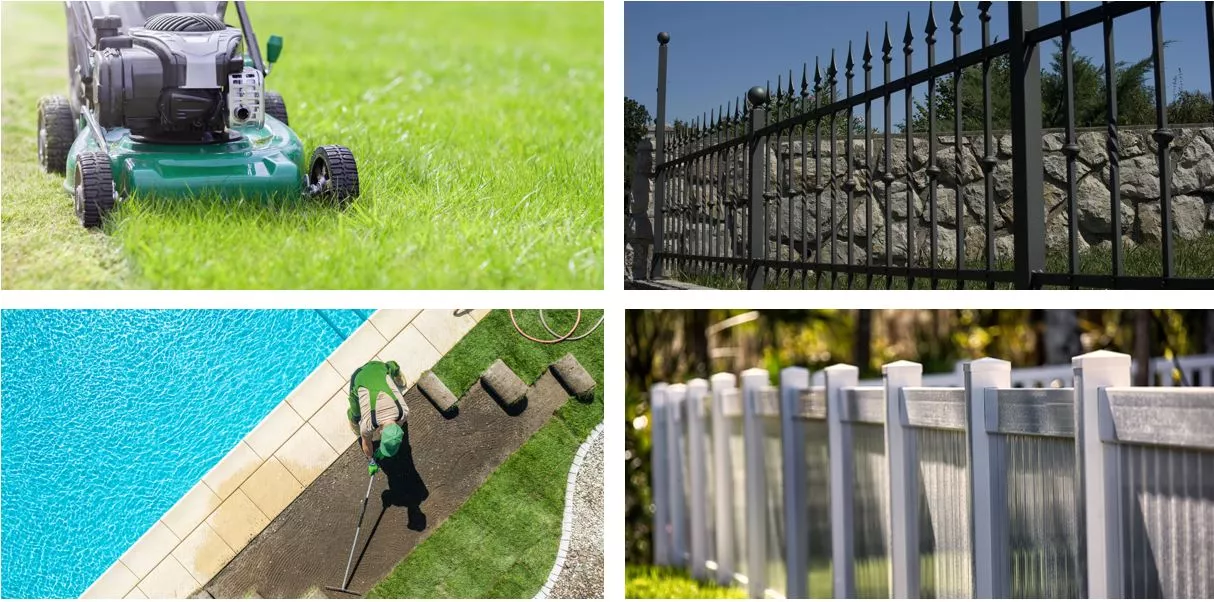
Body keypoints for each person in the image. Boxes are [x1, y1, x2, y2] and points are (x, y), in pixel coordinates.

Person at [347, 360, 409, 475]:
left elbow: (399, 424)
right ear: (380, 433)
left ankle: (395, 370)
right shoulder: (368, 424)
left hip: (379, 367)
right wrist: (371, 461)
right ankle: (351, 417)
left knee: (390, 368)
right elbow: (366, 443)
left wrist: (375, 457)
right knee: (356, 414)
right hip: (359, 376)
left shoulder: (404, 412)